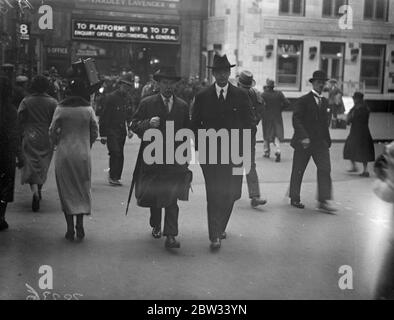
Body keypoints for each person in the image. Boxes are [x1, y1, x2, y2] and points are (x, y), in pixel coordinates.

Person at [191, 54, 253, 250]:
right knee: (214, 194)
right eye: (218, 72)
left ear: (229, 73)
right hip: (210, 155)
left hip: (234, 153)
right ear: (214, 74)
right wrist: (201, 146)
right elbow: (194, 125)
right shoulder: (202, 96)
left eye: (225, 72)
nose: (222, 75)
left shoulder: (241, 95)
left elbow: (250, 125)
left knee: (232, 193)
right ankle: (214, 234)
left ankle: (220, 226)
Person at [129, 67, 192, 249]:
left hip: (174, 162)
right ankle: (156, 223)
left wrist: (185, 158)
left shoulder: (182, 106)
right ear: (158, 84)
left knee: (172, 199)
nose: (168, 87)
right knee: (155, 197)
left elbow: (186, 133)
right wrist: (148, 124)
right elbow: (133, 124)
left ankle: (171, 235)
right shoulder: (147, 103)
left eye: (171, 83)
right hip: (152, 159)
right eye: (165, 83)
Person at [49, 68, 99, 241]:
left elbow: (52, 130)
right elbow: (95, 131)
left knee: (66, 189)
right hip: (83, 153)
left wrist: (56, 143)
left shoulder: (61, 108)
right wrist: (88, 143)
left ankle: (70, 228)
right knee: (82, 188)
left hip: (64, 153)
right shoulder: (88, 110)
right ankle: (80, 224)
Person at [289, 70, 336, 213]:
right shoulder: (303, 100)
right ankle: (294, 197)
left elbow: (325, 121)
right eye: (319, 82)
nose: (321, 85)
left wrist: (326, 139)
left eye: (323, 83)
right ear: (313, 83)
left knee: (325, 168)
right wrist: (303, 136)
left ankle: (323, 200)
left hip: (320, 143)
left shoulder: (326, 102)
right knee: (298, 170)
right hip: (304, 142)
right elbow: (296, 119)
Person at [18, 75, 57, 212]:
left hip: (30, 135)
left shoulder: (26, 101)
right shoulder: (53, 102)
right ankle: (39, 189)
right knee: (42, 164)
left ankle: (34, 191)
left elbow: (20, 118)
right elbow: (56, 121)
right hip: (46, 136)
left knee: (31, 164)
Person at [236, 70, 267, 208]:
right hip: (235, 135)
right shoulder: (233, 95)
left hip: (247, 135)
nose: (246, 89)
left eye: (247, 87)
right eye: (244, 87)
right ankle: (233, 194)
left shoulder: (253, 94)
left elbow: (261, 109)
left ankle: (255, 196)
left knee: (249, 165)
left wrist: (255, 122)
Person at [99, 76, 134, 186]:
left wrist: (130, 129)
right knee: (115, 152)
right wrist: (103, 134)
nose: (126, 89)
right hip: (111, 129)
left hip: (121, 130)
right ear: (120, 86)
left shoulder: (128, 98)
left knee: (120, 154)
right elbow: (104, 116)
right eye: (124, 86)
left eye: (128, 87)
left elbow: (129, 115)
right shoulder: (111, 97)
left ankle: (116, 176)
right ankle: (113, 176)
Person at [0, 76, 20, 231]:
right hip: (6, 154)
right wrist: (20, 154)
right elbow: (14, 135)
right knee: (5, 186)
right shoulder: (11, 111)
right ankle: (1, 216)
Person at [343, 92, 375, 177]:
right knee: (362, 150)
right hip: (364, 131)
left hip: (356, 132)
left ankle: (360, 169)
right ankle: (363, 169)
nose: (353, 100)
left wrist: (347, 120)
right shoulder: (365, 107)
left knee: (350, 147)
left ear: (358, 99)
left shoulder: (357, 108)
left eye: (354, 98)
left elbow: (350, 120)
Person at [262, 79, 290, 162]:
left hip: (267, 117)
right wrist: (280, 109)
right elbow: (287, 103)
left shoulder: (264, 95)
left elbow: (259, 105)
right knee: (276, 135)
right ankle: (278, 150)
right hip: (277, 117)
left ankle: (266, 152)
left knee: (266, 133)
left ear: (267, 86)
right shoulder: (279, 94)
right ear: (273, 86)